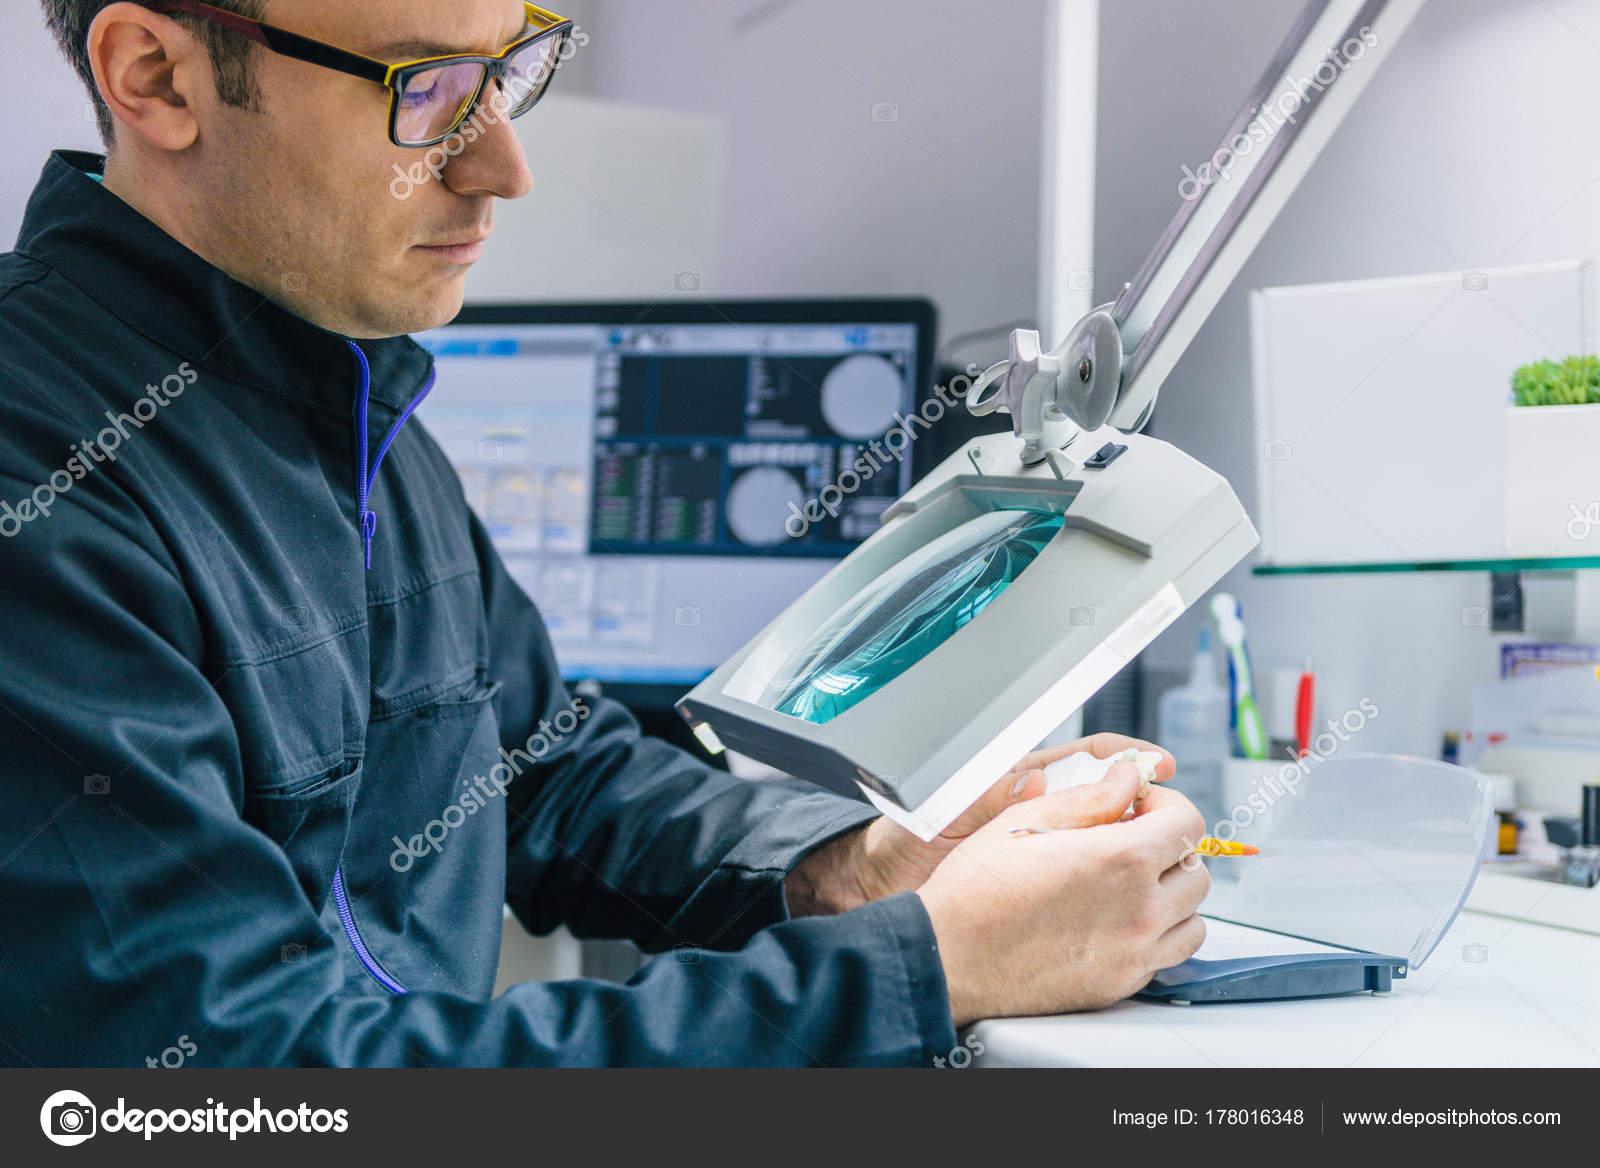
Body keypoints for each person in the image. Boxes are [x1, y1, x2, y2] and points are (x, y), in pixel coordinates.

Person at [0, 0, 1209, 1066]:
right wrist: (926, 965)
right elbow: (244, 1080)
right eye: (422, 91)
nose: (504, 168)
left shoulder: (346, 400)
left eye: (507, 70)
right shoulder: (39, 469)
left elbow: (541, 771)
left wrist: (850, 866)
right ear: (156, 76)